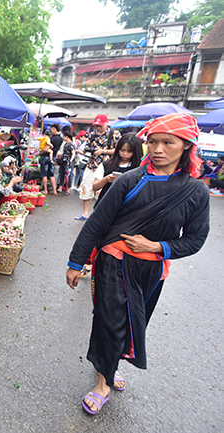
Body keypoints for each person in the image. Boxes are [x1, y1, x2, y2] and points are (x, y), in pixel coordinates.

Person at [66, 112, 209, 415]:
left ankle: (109, 363)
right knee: (112, 320)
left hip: (152, 269)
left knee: (131, 322)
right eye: (153, 142)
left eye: (167, 142)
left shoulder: (195, 191)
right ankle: (103, 382)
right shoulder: (130, 180)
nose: (158, 149)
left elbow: (195, 239)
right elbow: (97, 223)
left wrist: (157, 246)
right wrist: (76, 262)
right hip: (114, 261)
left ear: (186, 146)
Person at [75, 114, 121, 220]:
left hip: (106, 165)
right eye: (96, 125)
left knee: (102, 191)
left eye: (100, 125)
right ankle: (85, 213)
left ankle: (99, 215)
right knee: (86, 188)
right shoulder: (92, 134)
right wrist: (87, 151)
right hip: (91, 164)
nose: (98, 127)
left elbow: (119, 150)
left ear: (106, 123)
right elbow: (86, 147)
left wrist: (103, 151)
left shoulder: (114, 134)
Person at [92, 133, 143, 208]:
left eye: (129, 151)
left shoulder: (140, 169)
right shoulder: (106, 165)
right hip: (104, 207)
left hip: (126, 209)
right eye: (122, 150)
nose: (125, 154)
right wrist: (106, 179)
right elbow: (94, 187)